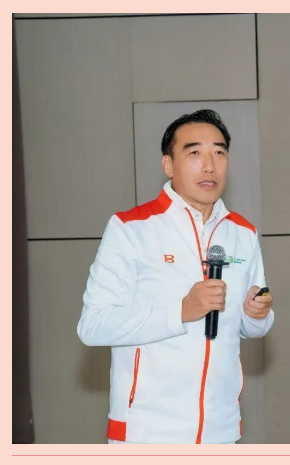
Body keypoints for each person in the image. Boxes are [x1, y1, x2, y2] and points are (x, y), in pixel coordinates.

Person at [77, 109, 274, 444]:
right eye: (195, 153)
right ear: (168, 165)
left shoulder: (243, 232)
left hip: (221, 432)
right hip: (147, 434)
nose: (209, 166)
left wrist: (257, 314)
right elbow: (93, 326)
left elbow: (249, 328)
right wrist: (180, 311)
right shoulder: (131, 228)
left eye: (219, 153)